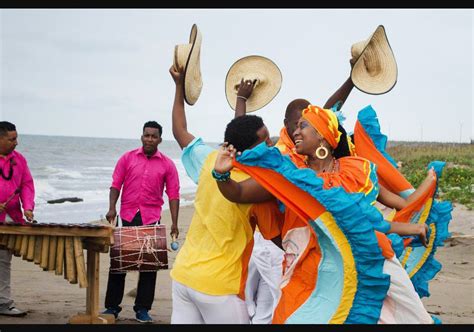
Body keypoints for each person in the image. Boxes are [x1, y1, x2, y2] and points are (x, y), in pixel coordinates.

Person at [213, 105, 436, 324]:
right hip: (309, 268)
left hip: (366, 259)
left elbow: (390, 209)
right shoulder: (291, 174)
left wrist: (427, 186)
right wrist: (221, 175)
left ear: (321, 135)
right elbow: (238, 192)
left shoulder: (356, 171)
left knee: (410, 316)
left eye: (303, 126)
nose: (296, 132)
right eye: (296, 126)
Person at [168, 64, 282, 324]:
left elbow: (179, 130)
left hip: (184, 275)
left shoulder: (210, 160)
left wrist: (178, 86)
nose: (270, 143)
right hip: (220, 286)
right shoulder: (258, 184)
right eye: (264, 140)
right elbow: (276, 241)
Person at [102, 121, 180, 324]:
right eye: (147, 135)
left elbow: (173, 195)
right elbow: (115, 184)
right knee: (119, 264)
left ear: (160, 140)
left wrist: (174, 223)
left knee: (148, 267)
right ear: (141, 136)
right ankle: (112, 307)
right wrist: (112, 208)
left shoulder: (167, 164)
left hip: (151, 218)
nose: (149, 139)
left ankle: (142, 309)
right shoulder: (127, 158)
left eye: (154, 136)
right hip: (127, 216)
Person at [0, 121, 35, 317]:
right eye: (12, 139)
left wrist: (28, 207)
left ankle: (3, 303)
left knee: (3, 261)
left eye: (16, 138)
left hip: (11, 218)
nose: (16, 142)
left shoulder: (19, 160)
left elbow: (27, 185)